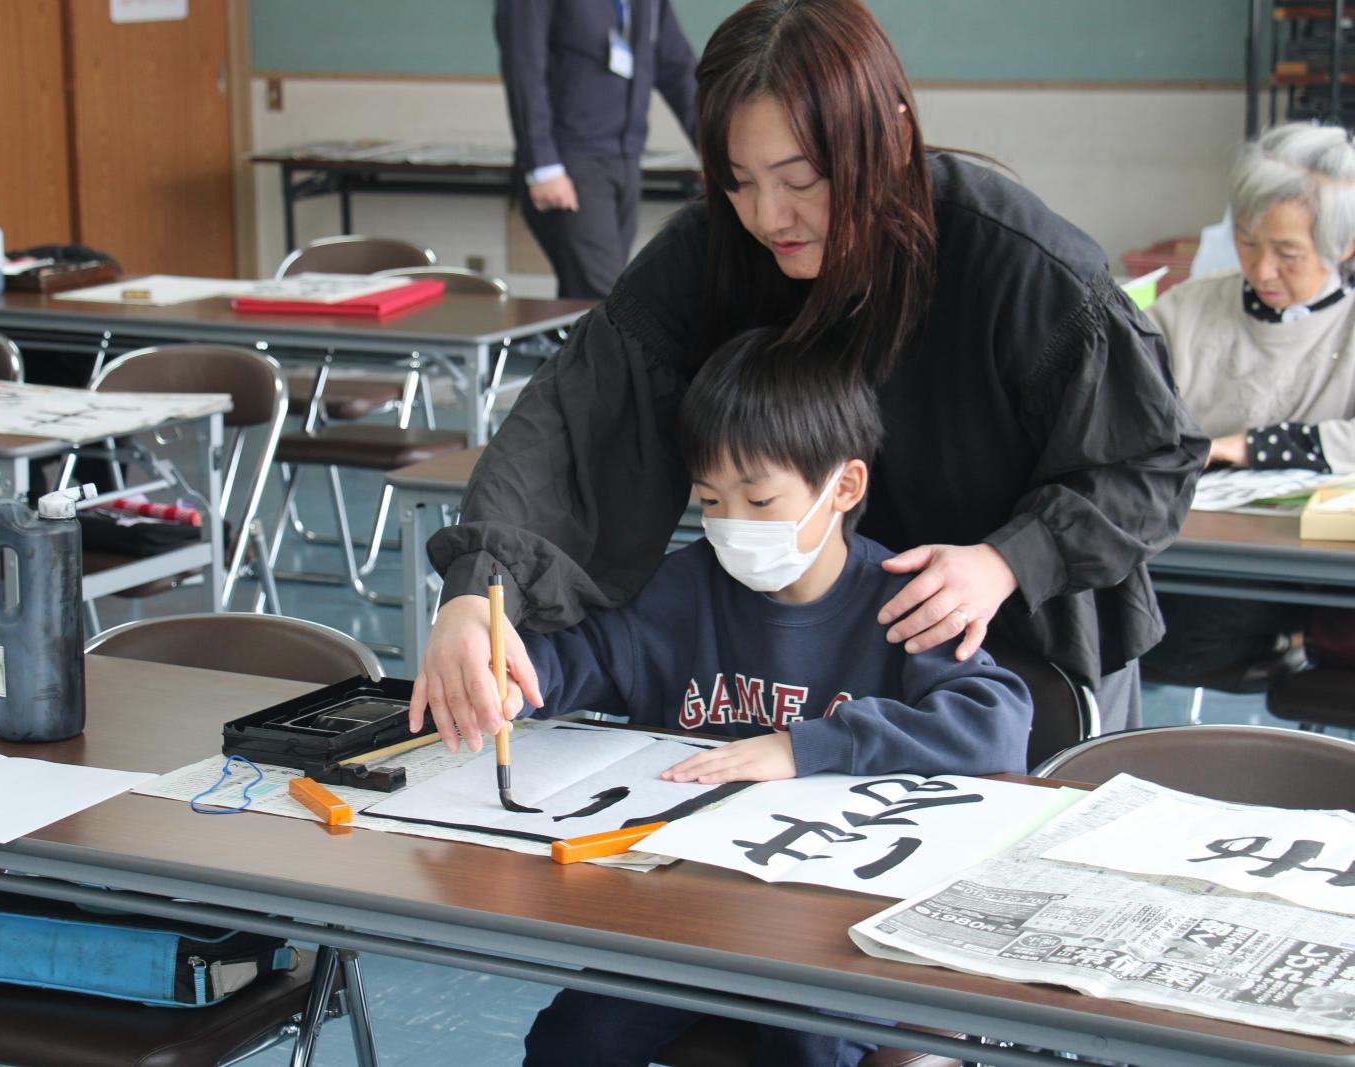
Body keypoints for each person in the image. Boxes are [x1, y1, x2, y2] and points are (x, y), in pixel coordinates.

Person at [414, 0, 1205, 748]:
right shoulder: (711, 253)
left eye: (800, 181)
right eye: (738, 179)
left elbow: (1149, 464)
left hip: (1012, 649)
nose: (768, 217)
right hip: (815, 661)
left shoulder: (1019, 265)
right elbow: (577, 423)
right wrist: (480, 590)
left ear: (891, 137)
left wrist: (1005, 560)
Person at [512, 328, 1032, 1066]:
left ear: (843, 487)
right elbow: (577, 660)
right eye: (710, 500)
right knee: (575, 1038)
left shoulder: (903, 603)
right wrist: (503, 675)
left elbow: (994, 725)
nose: (732, 525)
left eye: (758, 499)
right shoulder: (681, 589)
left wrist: (806, 746)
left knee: (807, 1039)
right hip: (691, 908)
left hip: (839, 922)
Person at [1144, 122, 1355, 680]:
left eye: (1288, 253)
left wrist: (1247, 447)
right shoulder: (1186, 309)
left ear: (1344, 247)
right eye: (1248, 241)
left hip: (1290, 568)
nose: (1262, 270)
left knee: (1191, 630)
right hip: (1171, 547)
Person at [495, 0, 699, 299]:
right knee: (602, 299)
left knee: (596, 298)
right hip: (571, 162)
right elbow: (524, 67)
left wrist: (718, 149)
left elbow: (678, 68)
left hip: (626, 158)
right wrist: (542, 165)